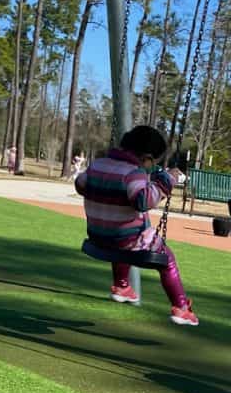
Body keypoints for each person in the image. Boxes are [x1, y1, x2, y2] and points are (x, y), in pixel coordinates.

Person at [75, 124, 198, 327]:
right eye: (152, 163)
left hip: (98, 237)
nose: (149, 167)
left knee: (124, 235)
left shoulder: (97, 165)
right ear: (146, 157)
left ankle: (122, 285)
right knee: (166, 259)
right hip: (126, 241)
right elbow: (142, 201)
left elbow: (80, 184)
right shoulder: (133, 173)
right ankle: (181, 307)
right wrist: (165, 182)